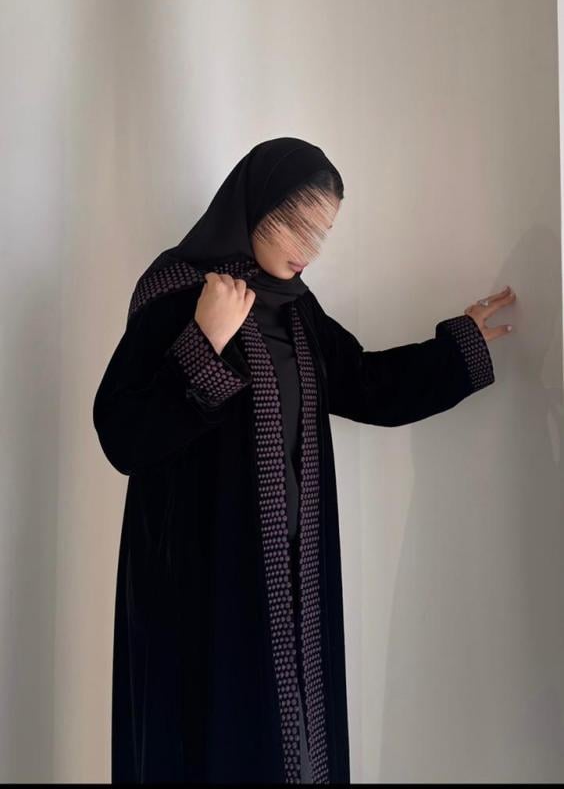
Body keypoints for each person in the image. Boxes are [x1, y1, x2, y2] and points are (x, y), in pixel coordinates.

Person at [92, 137, 513, 784]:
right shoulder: (177, 291)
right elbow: (123, 436)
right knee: (213, 744)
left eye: (323, 233)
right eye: (297, 224)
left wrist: (460, 348)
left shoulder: (296, 309)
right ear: (254, 204)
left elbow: (364, 383)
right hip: (203, 583)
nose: (308, 249)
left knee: (293, 748)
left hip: (291, 573)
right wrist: (205, 339)